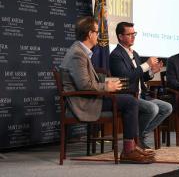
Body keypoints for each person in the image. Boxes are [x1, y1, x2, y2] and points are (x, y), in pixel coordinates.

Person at [60, 16, 154, 163]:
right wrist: (107, 86)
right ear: (90, 34)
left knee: (129, 101)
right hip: (84, 102)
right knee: (130, 102)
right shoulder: (78, 54)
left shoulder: (79, 51)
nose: (98, 36)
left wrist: (108, 81)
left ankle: (132, 146)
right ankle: (129, 150)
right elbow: (84, 86)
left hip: (90, 98)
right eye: (97, 32)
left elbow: (88, 81)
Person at [109, 22, 172, 150]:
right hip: (128, 96)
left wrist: (151, 72)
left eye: (134, 34)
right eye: (129, 34)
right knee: (152, 108)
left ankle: (140, 135)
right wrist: (146, 64)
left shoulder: (135, 54)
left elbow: (140, 76)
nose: (133, 37)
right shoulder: (116, 55)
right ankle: (137, 138)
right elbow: (126, 77)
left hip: (142, 95)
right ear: (120, 37)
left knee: (167, 107)